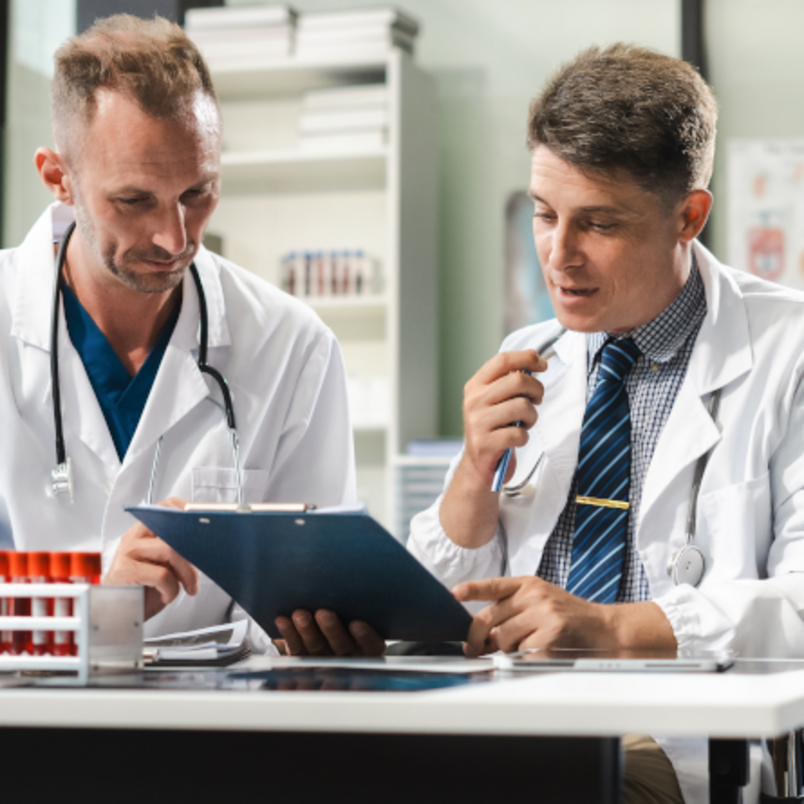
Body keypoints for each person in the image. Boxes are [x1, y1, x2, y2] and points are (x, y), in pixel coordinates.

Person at [408, 44, 804, 803]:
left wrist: (615, 629)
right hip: (509, 718)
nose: (559, 257)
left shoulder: (788, 353)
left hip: (674, 740)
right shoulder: (528, 358)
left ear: (688, 216)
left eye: (598, 224)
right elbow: (443, 610)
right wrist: (470, 473)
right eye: (545, 214)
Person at [0, 14, 383, 656]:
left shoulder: (292, 346)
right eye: (133, 200)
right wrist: (94, 605)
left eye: (197, 192)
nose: (175, 239)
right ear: (58, 177)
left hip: (219, 734)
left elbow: (303, 614)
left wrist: (330, 626)